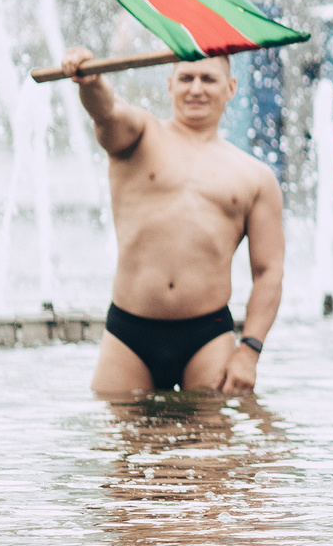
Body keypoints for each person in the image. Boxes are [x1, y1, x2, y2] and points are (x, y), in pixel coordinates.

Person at [62, 49, 283, 397]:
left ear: (231, 87)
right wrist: (91, 82)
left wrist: (250, 351)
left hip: (207, 336)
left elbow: (269, 271)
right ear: (169, 85)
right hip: (129, 333)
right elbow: (106, 111)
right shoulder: (140, 135)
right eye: (186, 78)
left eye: (208, 79)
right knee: (120, 448)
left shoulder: (255, 177)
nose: (196, 88)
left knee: (213, 448)